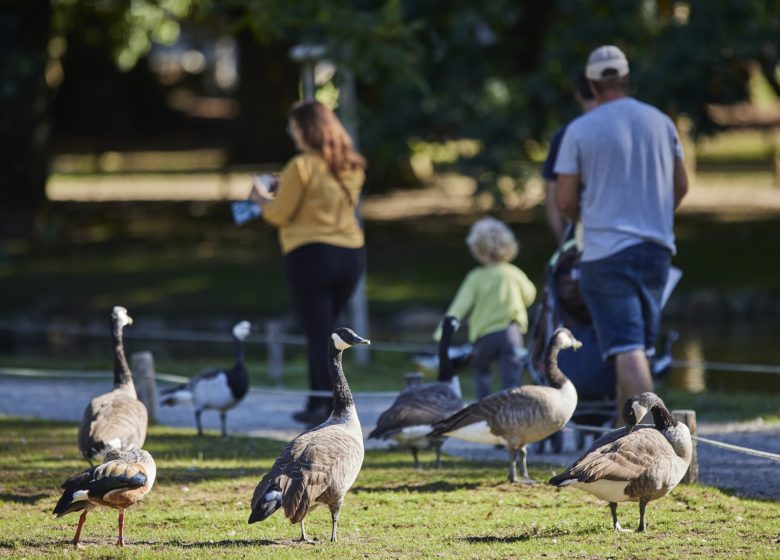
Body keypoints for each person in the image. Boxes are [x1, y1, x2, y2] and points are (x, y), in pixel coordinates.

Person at [554, 45, 689, 425]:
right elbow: (681, 184)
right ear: (627, 79)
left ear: (593, 84)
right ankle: (621, 439)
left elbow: (564, 198)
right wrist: (655, 216)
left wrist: (588, 221)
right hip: (657, 250)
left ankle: (649, 441)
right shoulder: (661, 121)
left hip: (606, 252)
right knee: (636, 348)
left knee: (626, 349)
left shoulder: (581, 129)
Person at [250, 99, 367, 428]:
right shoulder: (351, 165)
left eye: (294, 125)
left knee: (318, 334)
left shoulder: (301, 165)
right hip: (350, 256)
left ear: (307, 129)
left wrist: (260, 197)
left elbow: (279, 213)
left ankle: (324, 405)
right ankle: (322, 400)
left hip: (311, 255)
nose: (290, 131)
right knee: (329, 332)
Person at [435, 217, 537, 400]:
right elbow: (530, 295)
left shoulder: (476, 277)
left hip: (485, 336)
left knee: (481, 371)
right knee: (511, 379)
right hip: (511, 333)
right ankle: (510, 414)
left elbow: (459, 307)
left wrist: (442, 334)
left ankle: (483, 410)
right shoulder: (513, 273)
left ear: (478, 250)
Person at [541, 68, 598, 242]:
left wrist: (565, 241)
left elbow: (555, 196)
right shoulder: (624, 131)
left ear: (578, 94)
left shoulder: (567, 135)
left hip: (581, 232)